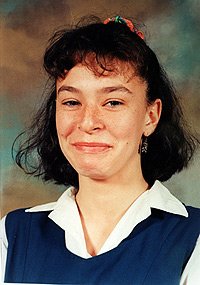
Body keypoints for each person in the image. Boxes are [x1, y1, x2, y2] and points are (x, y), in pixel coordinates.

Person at [0, 15, 200, 284]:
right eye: (71, 102)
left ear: (150, 117)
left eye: (113, 102)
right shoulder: (12, 236)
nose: (88, 122)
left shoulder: (193, 238)